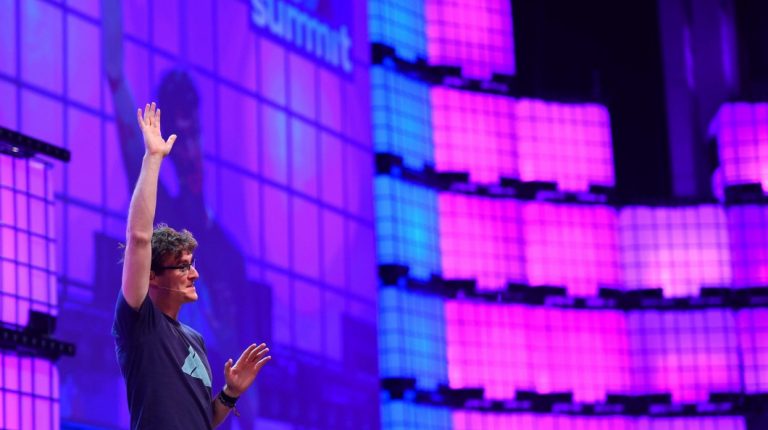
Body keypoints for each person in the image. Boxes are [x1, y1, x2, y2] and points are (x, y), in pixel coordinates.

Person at [112, 102, 271, 429]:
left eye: (192, 264)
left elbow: (201, 421)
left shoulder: (195, 340)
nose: (195, 274)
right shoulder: (140, 321)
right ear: (152, 276)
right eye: (183, 267)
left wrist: (229, 394)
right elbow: (139, 238)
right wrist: (152, 158)